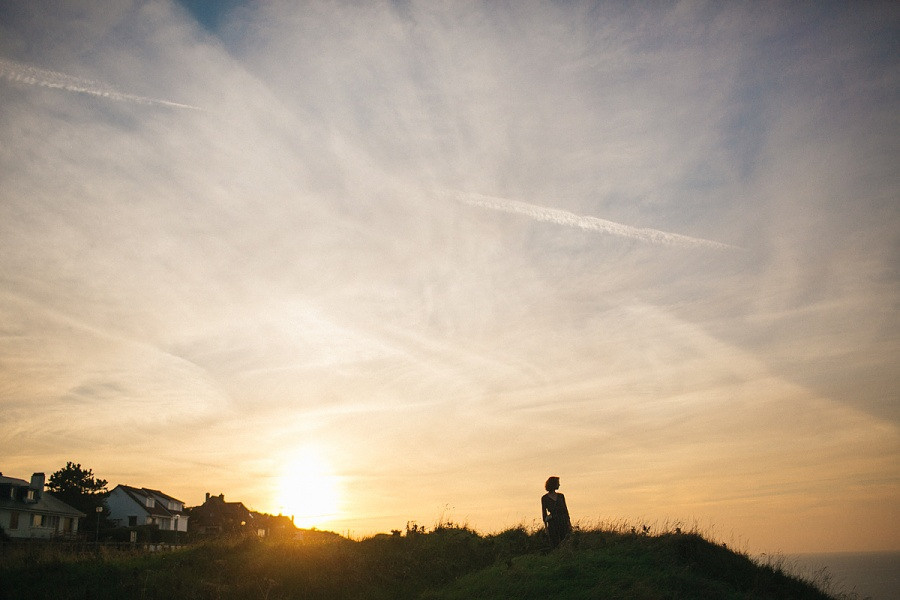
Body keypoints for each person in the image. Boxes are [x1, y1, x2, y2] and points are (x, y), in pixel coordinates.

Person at [541, 476, 571, 548]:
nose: (559, 485)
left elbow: (565, 510)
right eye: (558, 483)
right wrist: (546, 528)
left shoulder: (561, 496)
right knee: (555, 542)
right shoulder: (544, 498)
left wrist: (569, 523)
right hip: (553, 523)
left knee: (565, 541)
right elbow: (544, 514)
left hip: (563, 521)